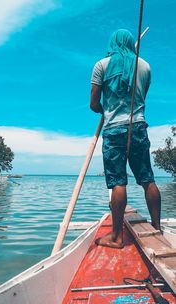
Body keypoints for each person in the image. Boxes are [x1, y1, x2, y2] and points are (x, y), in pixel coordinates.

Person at [90, 29, 161, 249]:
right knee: (147, 179)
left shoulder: (101, 65)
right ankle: (157, 227)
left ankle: (117, 238)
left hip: (113, 129)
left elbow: (93, 103)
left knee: (118, 182)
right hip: (138, 126)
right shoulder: (145, 66)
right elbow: (141, 97)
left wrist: (105, 110)